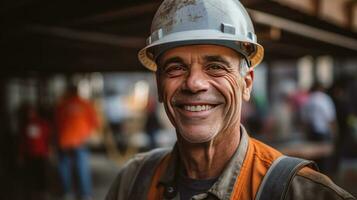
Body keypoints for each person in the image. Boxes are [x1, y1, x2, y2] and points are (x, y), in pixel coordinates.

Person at [106, 0, 356, 199]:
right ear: (160, 87)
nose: (194, 83)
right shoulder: (134, 181)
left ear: (246, 84)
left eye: (215, 66)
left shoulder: (301, 192)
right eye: (175, 68)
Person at [55, 84, 98, 200]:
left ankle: (67, 193)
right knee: (82, 167)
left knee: (65, 167)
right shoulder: (85, 104)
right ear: (78, 92)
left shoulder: (62, 105)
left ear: (68, 92)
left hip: (64, 141)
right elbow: (94, 123)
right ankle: (85, 195)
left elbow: (57, 123)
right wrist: (86, 134)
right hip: (80, 141)